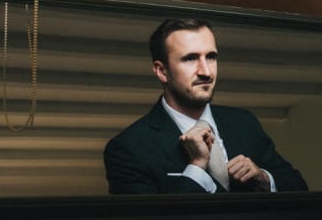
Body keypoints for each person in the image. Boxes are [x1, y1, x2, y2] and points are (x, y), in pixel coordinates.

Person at [104, 18, 307, 194]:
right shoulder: (128, 148)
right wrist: (196, 168)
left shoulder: (244, 123)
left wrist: (263, 178)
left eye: (211, 57)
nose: (206, 72)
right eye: (190, 59)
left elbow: (299, 190)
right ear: (162, 71)